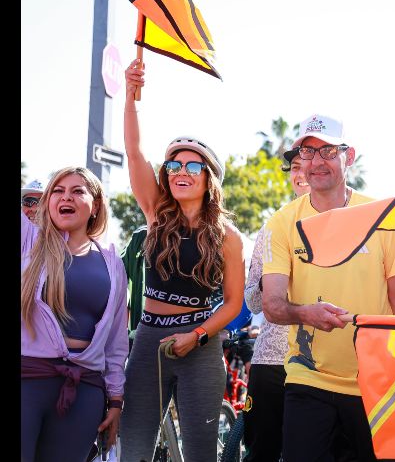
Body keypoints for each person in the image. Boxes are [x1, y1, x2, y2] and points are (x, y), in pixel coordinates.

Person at [261, 113, 395, 462]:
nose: (316, 162)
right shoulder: (282, 223)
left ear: (349, 156)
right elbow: (271, 304)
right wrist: (304, 314)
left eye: (328, 151)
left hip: (374, 382)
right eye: (308, 152)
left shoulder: (383, 216)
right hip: (308, 377)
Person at [120, 59, 246, 462]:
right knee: (134, 448)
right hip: (149, 341)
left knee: (200, 453)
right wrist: (130, 96)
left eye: (193, 165)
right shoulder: (156, 213)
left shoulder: (228, 236)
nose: (181, 171)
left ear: (209, 178)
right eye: (174, 164)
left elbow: (232, 303)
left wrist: (197, 336)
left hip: (201, 343)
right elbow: (134, 153)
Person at [21, 166, 129, 462]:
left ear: (95, 205)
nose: (65, 197)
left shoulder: (111, 261)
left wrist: (116, 400)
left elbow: (116, 342)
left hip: (85, 391)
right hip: (27, 379)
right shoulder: (29, 242)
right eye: (57, 190)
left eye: (77, 191)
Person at [240, 147, 310, 462]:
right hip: (271, 360)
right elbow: (253, 301)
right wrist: (275, 280)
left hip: (324, 364)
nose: (301, 173)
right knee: (262, 452)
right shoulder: (273, 226)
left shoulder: (348, 225)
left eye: (308, 164)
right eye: (295, 166)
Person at [120, 225, 148, 350]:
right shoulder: (141, 236)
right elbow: (114, 280)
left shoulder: (195, 235)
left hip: (182, 341)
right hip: (138, 342)